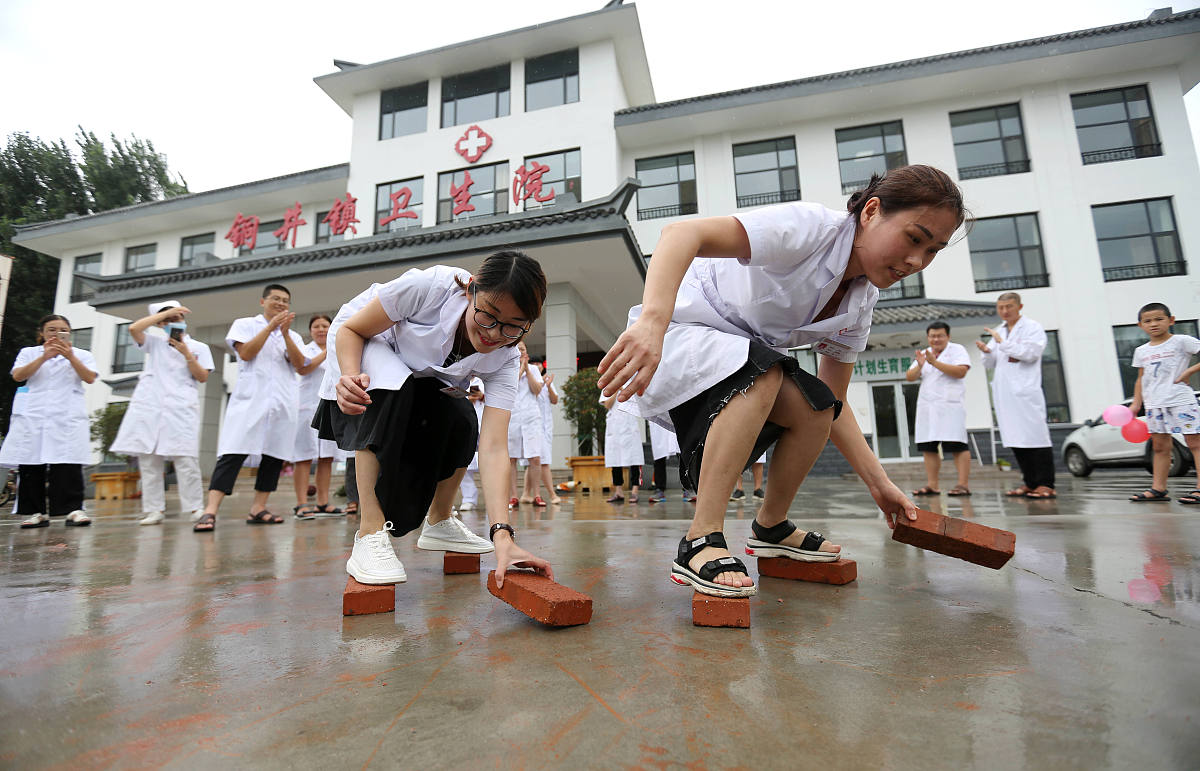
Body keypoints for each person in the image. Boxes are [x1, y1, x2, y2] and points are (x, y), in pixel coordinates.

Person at [598, 165, 965, 597]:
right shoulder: (812, 228)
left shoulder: (861, 301)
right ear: (871, 211)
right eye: (914, 238)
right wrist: (653, 323)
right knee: (766, 369)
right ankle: (700, 537)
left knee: (818, 406)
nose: (916, 261)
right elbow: (681, 235)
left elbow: (836, 407)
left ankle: (770, 527)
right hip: (675, 337)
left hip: (744, 365)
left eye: (934, 251)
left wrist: (880, 486)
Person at [314, 251, 551, 586]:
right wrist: (351, 376)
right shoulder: (430, 287)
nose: (495, 334)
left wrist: (503, 535)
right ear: (470, 290)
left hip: (421, 375)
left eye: (514, 326)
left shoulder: (507, 358)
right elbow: (353, 329)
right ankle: (368, 533)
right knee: (387, 388)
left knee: (463, 419)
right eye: (488, 316)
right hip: (366, 344)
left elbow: (495, 445)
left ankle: (439, 520)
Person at [193, 284, 307, 532]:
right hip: (250, 401)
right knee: (233, 452)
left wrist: (285, 334)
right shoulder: (245, 324)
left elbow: (300, 365)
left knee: (274, 456)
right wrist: (270, 327)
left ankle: (258, 507)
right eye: (275, 299)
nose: (280, 303)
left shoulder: (293, 335)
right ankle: (209, 511)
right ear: (262, 302)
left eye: (285, 300)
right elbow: (245, 353)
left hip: (282, 404)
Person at [110, 301, 215, 525]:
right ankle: (154, 509)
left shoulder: (199, 347)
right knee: (149, 461)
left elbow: (203, 376)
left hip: (181, 409)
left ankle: (195, 507)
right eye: (166, 320)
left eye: (175, 318)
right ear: (159, 323)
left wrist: (185, 352)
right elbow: (133, 329)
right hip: (151, 408)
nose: (171, 322)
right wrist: (164, 316)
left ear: (183, 319)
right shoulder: (153, 342)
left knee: (186, 459)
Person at [0, 315, 98, 528]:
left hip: (67, 416)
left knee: (67, 463)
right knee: (31, 462)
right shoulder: (29, 352)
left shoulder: (82, 354)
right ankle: (35, 512)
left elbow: (89, 377)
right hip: (34, 415)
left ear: (69, 333)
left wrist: (70, 357)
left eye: (62, 330)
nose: (56, 334)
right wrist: (44, 357)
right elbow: (18, 376)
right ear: (42, 333)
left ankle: (73, 510)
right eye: (51, 329)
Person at [977, 292, 1055, 499]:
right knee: (1016, 438)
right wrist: (987, 351)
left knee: (1035, 436)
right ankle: (1029, 483)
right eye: (1001, 307)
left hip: (1026, 392)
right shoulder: (1000, 330)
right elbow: (991, 363)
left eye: (1009, 307)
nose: (1004, 311)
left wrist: (1002, 343)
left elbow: (1030, 354)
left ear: (1020, 306)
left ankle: (1046, 483)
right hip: (1005, 394)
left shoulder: (1032, 328)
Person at [1128, 302, 1200, 504]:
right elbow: (1141, 378)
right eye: (1147, 321)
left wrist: (1189, 371)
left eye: (1159, 319)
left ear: (1171, 320)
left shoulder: (1182, 341)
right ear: (1140, 325)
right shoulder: (1141, 350)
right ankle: (1158, 489)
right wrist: (1136, 403)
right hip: (1154, 404)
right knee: (1159, 446)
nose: (1153, 324)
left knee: (1195, 442)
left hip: (1180, 399)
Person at [289, 314, 346, 519]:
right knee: (304, 457)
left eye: (325, 326)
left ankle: (323, 502)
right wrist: (327, 351)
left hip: (329, 408)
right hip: (306, 409)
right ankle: (302, 503)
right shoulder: (305, 349)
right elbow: (304, 368)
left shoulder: (340, 349)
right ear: (311, 331)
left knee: (326, 458)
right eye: (316, 326)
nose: (321, 329)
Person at [907, 321, 972, 497]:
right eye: (932, 336)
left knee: (957, 445)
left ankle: (963, 484)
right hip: (928, 408)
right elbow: (910, 377)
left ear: (948, 336)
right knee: (928, 447)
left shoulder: (957, 350)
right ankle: (932, 485)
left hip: (950, 407)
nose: (936, 339)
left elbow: (961, 372)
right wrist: (921, 365)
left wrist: (934, 363)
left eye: (940, 335)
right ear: (928, 337)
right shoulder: (924, 354)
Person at [508, 341, 548, 507]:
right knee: (512, 458)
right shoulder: (507, 368)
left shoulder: (533, 369)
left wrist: (527, 371)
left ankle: (537, 495)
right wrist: (520, 371)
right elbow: (509, 388)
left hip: (531, 418)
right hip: (513, 418)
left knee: (535, 457)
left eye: (523, 349)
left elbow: (537, 390)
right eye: (517, 349)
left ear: (527, 353)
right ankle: (514, 496)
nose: (520, 351)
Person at [527, 363, 562, 504]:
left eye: (538, 364)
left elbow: (555, 400)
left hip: (545, 426)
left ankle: (526, 494)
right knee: (538, 460)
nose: (537, 366)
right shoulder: (529, 380)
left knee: (537, 460)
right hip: (532, 424)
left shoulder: (547, 382)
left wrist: (548, 386)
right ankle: (551, 494)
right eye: (534, 364)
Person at [602, 392, 645, 503]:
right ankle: (618, 492)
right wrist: (616, 390)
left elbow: (640, 402)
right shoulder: (609, 385)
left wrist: (625, 390)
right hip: (615, 428)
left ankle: (635, 491)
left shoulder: (631, 382)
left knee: (635, 459)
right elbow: (607, 405)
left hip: (630, 427)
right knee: (615, 460)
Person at [458, 377, 486, 511]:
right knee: (464, 465)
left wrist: (482, 396)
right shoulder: (459, 379)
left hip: (484, 423)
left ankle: (492, 499)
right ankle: (468, 499)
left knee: (487, 464)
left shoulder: (483, 380)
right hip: (465, 424)